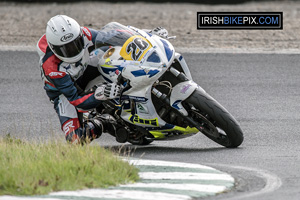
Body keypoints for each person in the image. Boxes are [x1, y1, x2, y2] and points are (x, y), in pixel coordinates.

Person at [37, 15, 169, 144]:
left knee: (112, 50)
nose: (73, 50)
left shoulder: (84, 34)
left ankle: (133, 86)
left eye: (75, 44)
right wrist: (98, 95)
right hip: (65, 93)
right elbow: (77, 100)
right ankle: (104, 122)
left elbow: (113, 36)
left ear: (79, 35)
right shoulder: (52, 68)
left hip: (86, 68)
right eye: (66, 49)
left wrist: (148, 37)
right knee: (75, 139)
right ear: (54, 49)